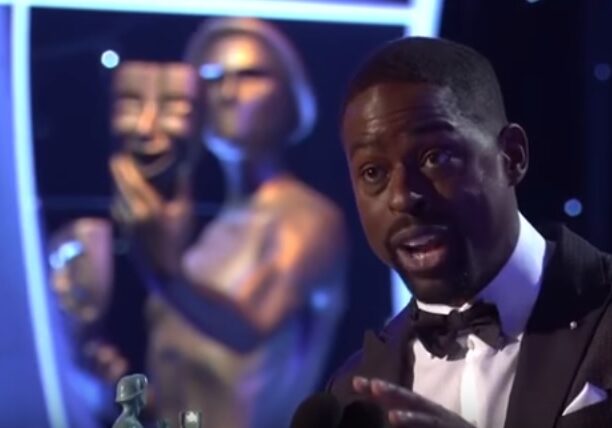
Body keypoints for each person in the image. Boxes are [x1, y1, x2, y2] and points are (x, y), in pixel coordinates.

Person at [313, 36, 612, 428]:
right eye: (374, 172)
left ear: (512, 156)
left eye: (435, 158)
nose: (403, 197)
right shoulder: (350, 395)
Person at [111, 18, 347, 428]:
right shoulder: (213, 231)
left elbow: (249, 327)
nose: (227, 92)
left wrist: (163, 272)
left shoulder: (309, 218)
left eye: (251, 75)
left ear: (291, 93)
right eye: (211, 76)